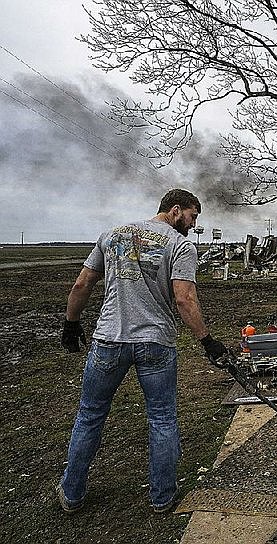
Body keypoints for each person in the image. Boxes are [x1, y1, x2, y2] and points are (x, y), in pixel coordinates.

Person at [57, 189, 229, 514]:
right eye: (193, 217)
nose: (193, 225)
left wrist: (71, 324)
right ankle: (162, 498)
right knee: (162, 417)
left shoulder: (112, 235)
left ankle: (72, 493)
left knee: (90, 415)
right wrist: (207, 341)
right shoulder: (180, 245)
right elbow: (184, 299)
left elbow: (82, 285)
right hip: (156, 344)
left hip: (109, 339)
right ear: (176, 210)